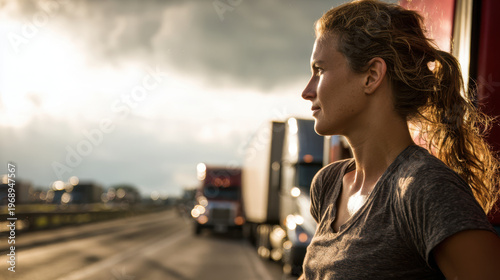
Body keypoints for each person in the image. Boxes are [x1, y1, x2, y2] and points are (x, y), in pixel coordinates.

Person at [299, 0, 500, 279]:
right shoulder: (329, 184)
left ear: (371, 76)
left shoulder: (424, 188)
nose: (307, 91)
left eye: (319, 70)